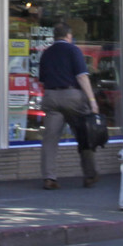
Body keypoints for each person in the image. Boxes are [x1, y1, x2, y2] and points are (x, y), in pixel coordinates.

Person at [37, 22, 100, 190]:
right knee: (85, 134)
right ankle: (90, 174)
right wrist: (92, 101)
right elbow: (82, 77)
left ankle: (49, 178)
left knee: (50, 139)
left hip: (51, 96)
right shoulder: (73, 50)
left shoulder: (46, 53)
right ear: (69, 36)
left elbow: (42, 79)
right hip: (72, 96)